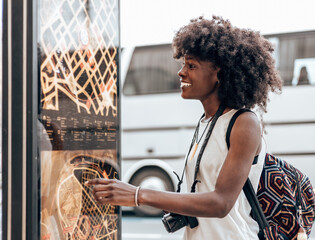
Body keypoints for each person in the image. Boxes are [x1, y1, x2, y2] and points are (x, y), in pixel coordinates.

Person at [86, 15, 282, 239]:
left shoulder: (243, 122)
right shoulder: (205, 122)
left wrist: (138, 194)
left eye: (191, 65)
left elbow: (221, 203)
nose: (181, 72)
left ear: (219, 72)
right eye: (183, 64)